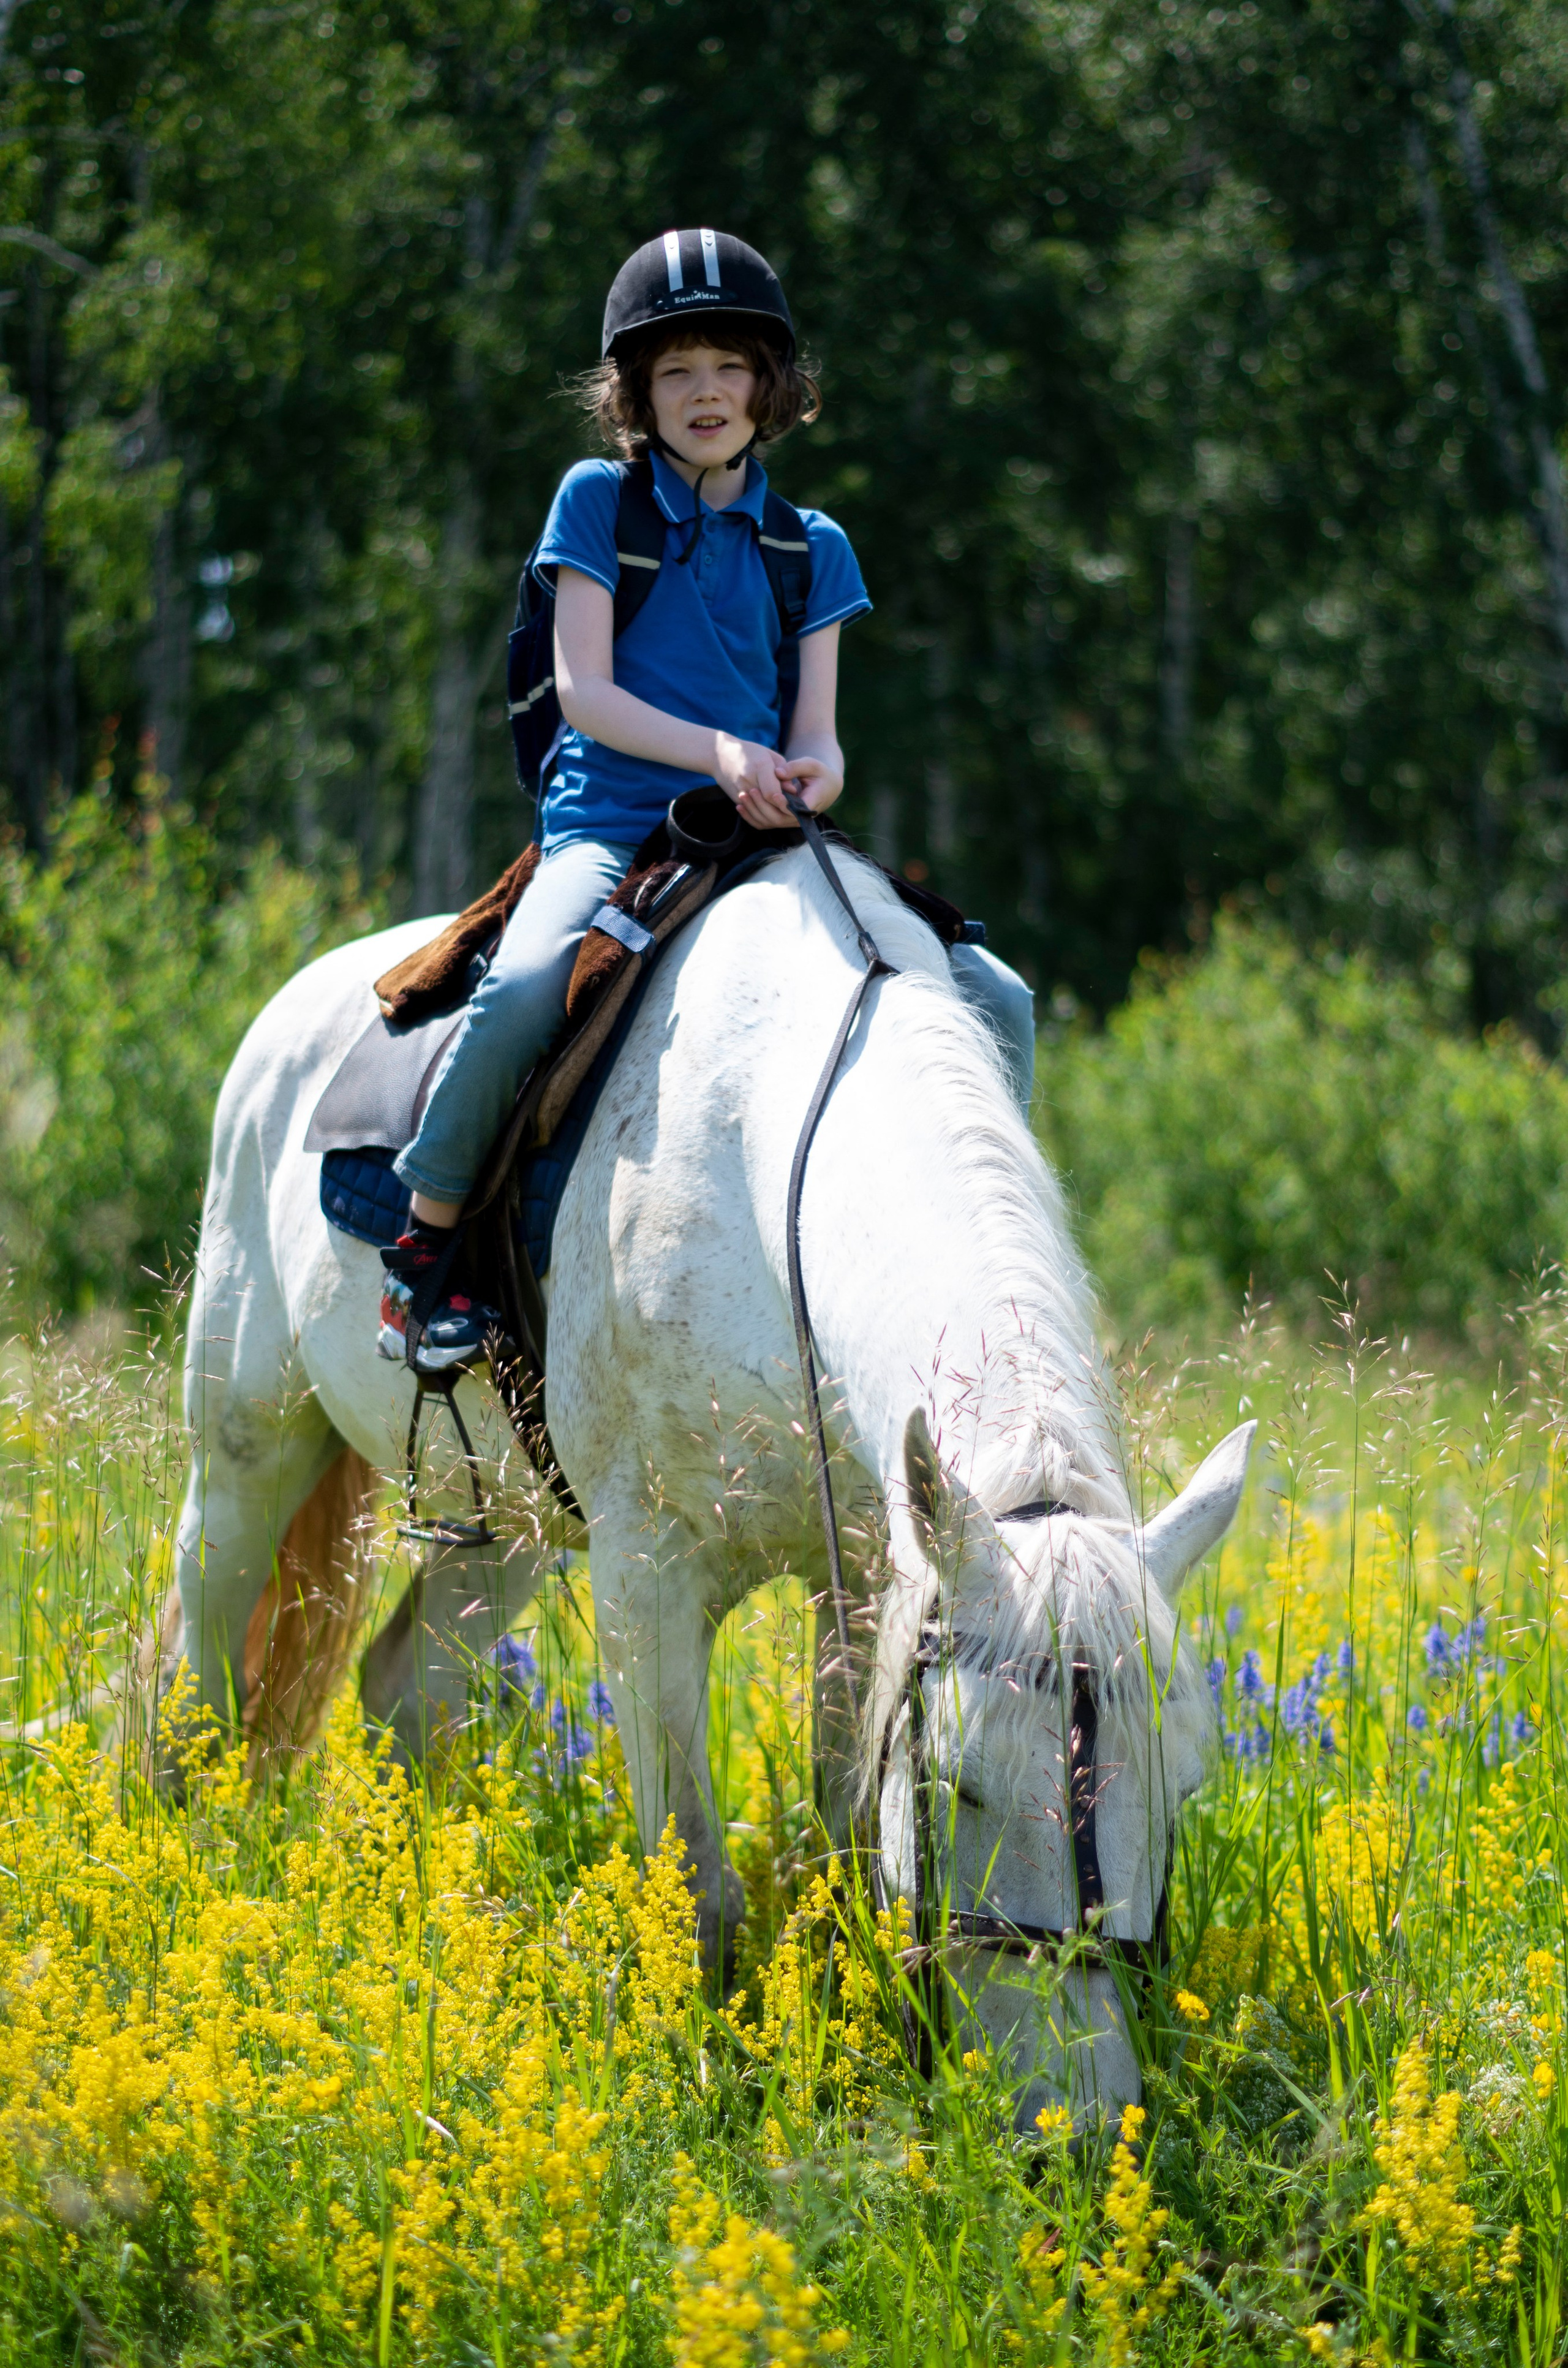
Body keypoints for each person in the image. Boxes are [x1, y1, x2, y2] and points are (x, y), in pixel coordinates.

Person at [379, 228, 1034, 1372]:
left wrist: (801, 777)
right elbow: (585, 694)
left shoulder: (809, 546)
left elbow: (822, 743)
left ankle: (978, 1255)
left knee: (1000, 996)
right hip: (609, 827)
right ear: (635, 392)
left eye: (727, 366)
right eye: (674, 371)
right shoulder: (597, 502)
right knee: (526, 986)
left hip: (758, 838)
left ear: (768, 383)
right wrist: (726, 749)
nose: (704, 393)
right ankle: (426, 1251)